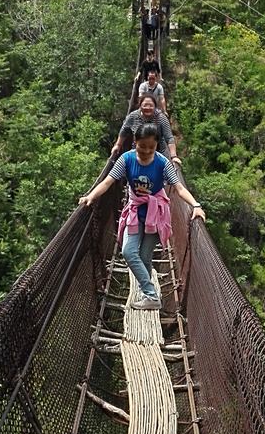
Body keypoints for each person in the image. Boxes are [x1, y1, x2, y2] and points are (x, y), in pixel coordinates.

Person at [80, 122, 205, 309]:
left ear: (156, 146)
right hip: (135, 211)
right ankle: (151, 294)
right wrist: (90, 196)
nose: (146, 150)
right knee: (129, 251)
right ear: (135, 142)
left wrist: (196, 205)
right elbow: (107, 182)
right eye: (142, 145)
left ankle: (147, 294)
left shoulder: (162, 162)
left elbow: (179, 188)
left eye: (151, 147)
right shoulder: (126, 159)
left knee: (145, 257)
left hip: (155, 215)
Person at [113, 95, 179, 162]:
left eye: (151, 105)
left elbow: (169, 137)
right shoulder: (133, 116)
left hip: (158, 154)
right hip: (138, 153)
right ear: (140, 105)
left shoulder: (161, 118)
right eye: (145, 105)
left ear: (155, 107)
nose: (148, 108)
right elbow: (124, 131)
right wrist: (118, 145)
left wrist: (174, 156)